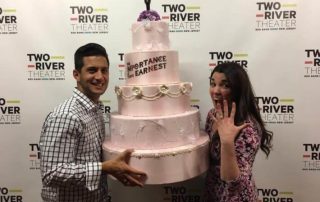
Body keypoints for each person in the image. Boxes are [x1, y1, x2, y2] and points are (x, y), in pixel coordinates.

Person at [39, 43, 146, 202]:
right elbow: (51, 173)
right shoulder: (66, 116)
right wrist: (104, 167)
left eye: (104, 70)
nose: (99, 77)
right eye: (92, 70)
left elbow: (88, 159)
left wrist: (113, 169)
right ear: (76, 74)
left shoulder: (95, 110)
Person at [203, 62, 273, 202]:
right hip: (213, 193)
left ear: (238, 90)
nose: (216, 91)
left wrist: (227, 142)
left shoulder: (247, 126)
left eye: (225, 85)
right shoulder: (212, 115)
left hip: (236, 197)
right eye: (213, 84)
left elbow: (233, 182)